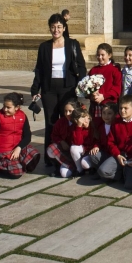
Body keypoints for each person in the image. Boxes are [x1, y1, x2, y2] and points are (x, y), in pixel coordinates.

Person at [31, 13, 87, 168]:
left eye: (59, 27)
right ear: (50, 28)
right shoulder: (44, 46)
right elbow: (39, 70)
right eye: (53, 27)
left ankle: (70, 154)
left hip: (68, 87)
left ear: (64, 28)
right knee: (51, 122)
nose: (56, 30)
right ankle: (51, 157)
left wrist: (83, 85)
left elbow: (81, 66)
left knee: (68, 119)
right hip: (49, 88)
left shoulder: (72, 44)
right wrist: (35, 89)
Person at [0, 93, 40, 179]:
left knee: (35, 153)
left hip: (16, 148)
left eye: (8, 107)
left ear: (17, 107)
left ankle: (17, 165)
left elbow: (28, 135)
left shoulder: (22, 116)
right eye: (4, 106)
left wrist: (19, 148)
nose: (5, 109)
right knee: (16, 174)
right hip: (3, 151)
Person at [98, 96, 132, 189]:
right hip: (120, 156)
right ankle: (122, 174)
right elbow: (110, 142)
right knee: (103, 171)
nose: (122, 111)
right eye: (120, 108)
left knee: (130, 185)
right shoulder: (116, 122)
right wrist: (117, 155)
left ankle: (131, 175)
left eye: (126, 108)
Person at [46, 98, 82, 177]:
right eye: (65, 111)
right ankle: (65, 166)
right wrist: (61, 141)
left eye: (70, 111)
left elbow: (78, 142)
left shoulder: (80, 122)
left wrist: (78, 126)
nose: (67, 114)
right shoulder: (61, 121)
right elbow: (54, 135)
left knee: (74, 148)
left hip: (78, 153)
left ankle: (79, 168)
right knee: (51, 149)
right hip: (65, 152)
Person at [87, 44, 122, 119]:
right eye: (98, 55)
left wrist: (103, 96)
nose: (100, 57)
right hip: (95, 105)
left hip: (109, 105)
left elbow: (117, 88)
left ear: (109, 55)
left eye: (103, 55)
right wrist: (91, 95)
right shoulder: (93, 70)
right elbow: (87, 86)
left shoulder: (114, 70)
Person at [86, 102, 117, 176]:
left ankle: (113, 173)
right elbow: (98, 140)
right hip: (105, 153)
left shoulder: (116, 126)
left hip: (114, 154)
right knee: (93, 154)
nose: (106, 116)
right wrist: (96, 146)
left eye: (109, 113)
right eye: (104, 113)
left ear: (115, 114)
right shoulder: (101, 127)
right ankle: (99, 170)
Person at [68, 107, 96, 174]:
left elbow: (98, 139)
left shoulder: (93, 125)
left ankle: (93, 168)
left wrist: (95, 146)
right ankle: (79, 169)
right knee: (74, 148)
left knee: (85, 164)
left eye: (87, 117)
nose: (86, 120)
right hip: (85, 151)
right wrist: (79, 127)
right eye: (82, 118)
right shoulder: (76, 128)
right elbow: (78, 142)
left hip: (94, 151)